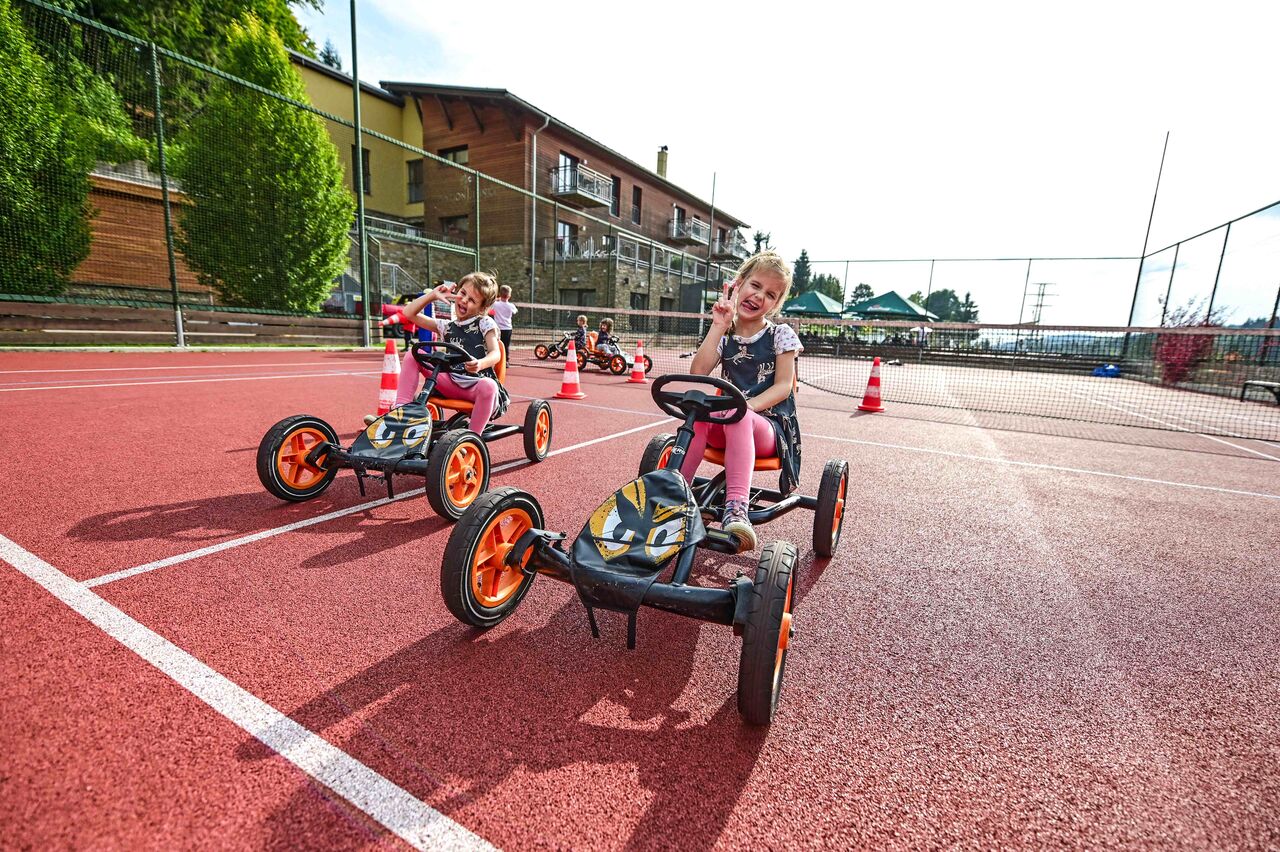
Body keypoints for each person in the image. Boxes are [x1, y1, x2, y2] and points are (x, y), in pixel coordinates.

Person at [681, 251, 801, 552]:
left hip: (768, 429)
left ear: (776, 303)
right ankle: (676, 495)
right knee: (699, 407)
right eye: (755, 285)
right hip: (727, 423)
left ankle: (736, 509)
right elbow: (698, 373)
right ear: (739, 284)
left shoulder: (780, 335)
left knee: (738, 415)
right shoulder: (726, 336)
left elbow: (784, 387)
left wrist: (746, 407)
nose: (759, 296)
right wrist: (719, 325)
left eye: (770, 294)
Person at [365, 272, 509, 432]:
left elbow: (496, 353)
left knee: (489, 386)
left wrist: (480, 364)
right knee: (414, 353)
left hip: (474, 386)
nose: (464, 300)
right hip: (450, 382)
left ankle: (473, 437)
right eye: (463, 293)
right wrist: (432, 295)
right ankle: (401, 414)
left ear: (482, 308)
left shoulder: (485, 323)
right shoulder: (446, 326)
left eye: (472, 300)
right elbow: (408, 313)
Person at [490, 284, 517, 365]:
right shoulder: (511, 306)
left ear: (499, 294)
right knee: (506, 346)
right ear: (509, 296)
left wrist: (498, 299)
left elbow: (490, 309)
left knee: (496, 345)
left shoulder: (495, 304)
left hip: (498, 329)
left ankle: (497, 361)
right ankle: (506, 361)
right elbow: (515, 312)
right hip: (507, 329)